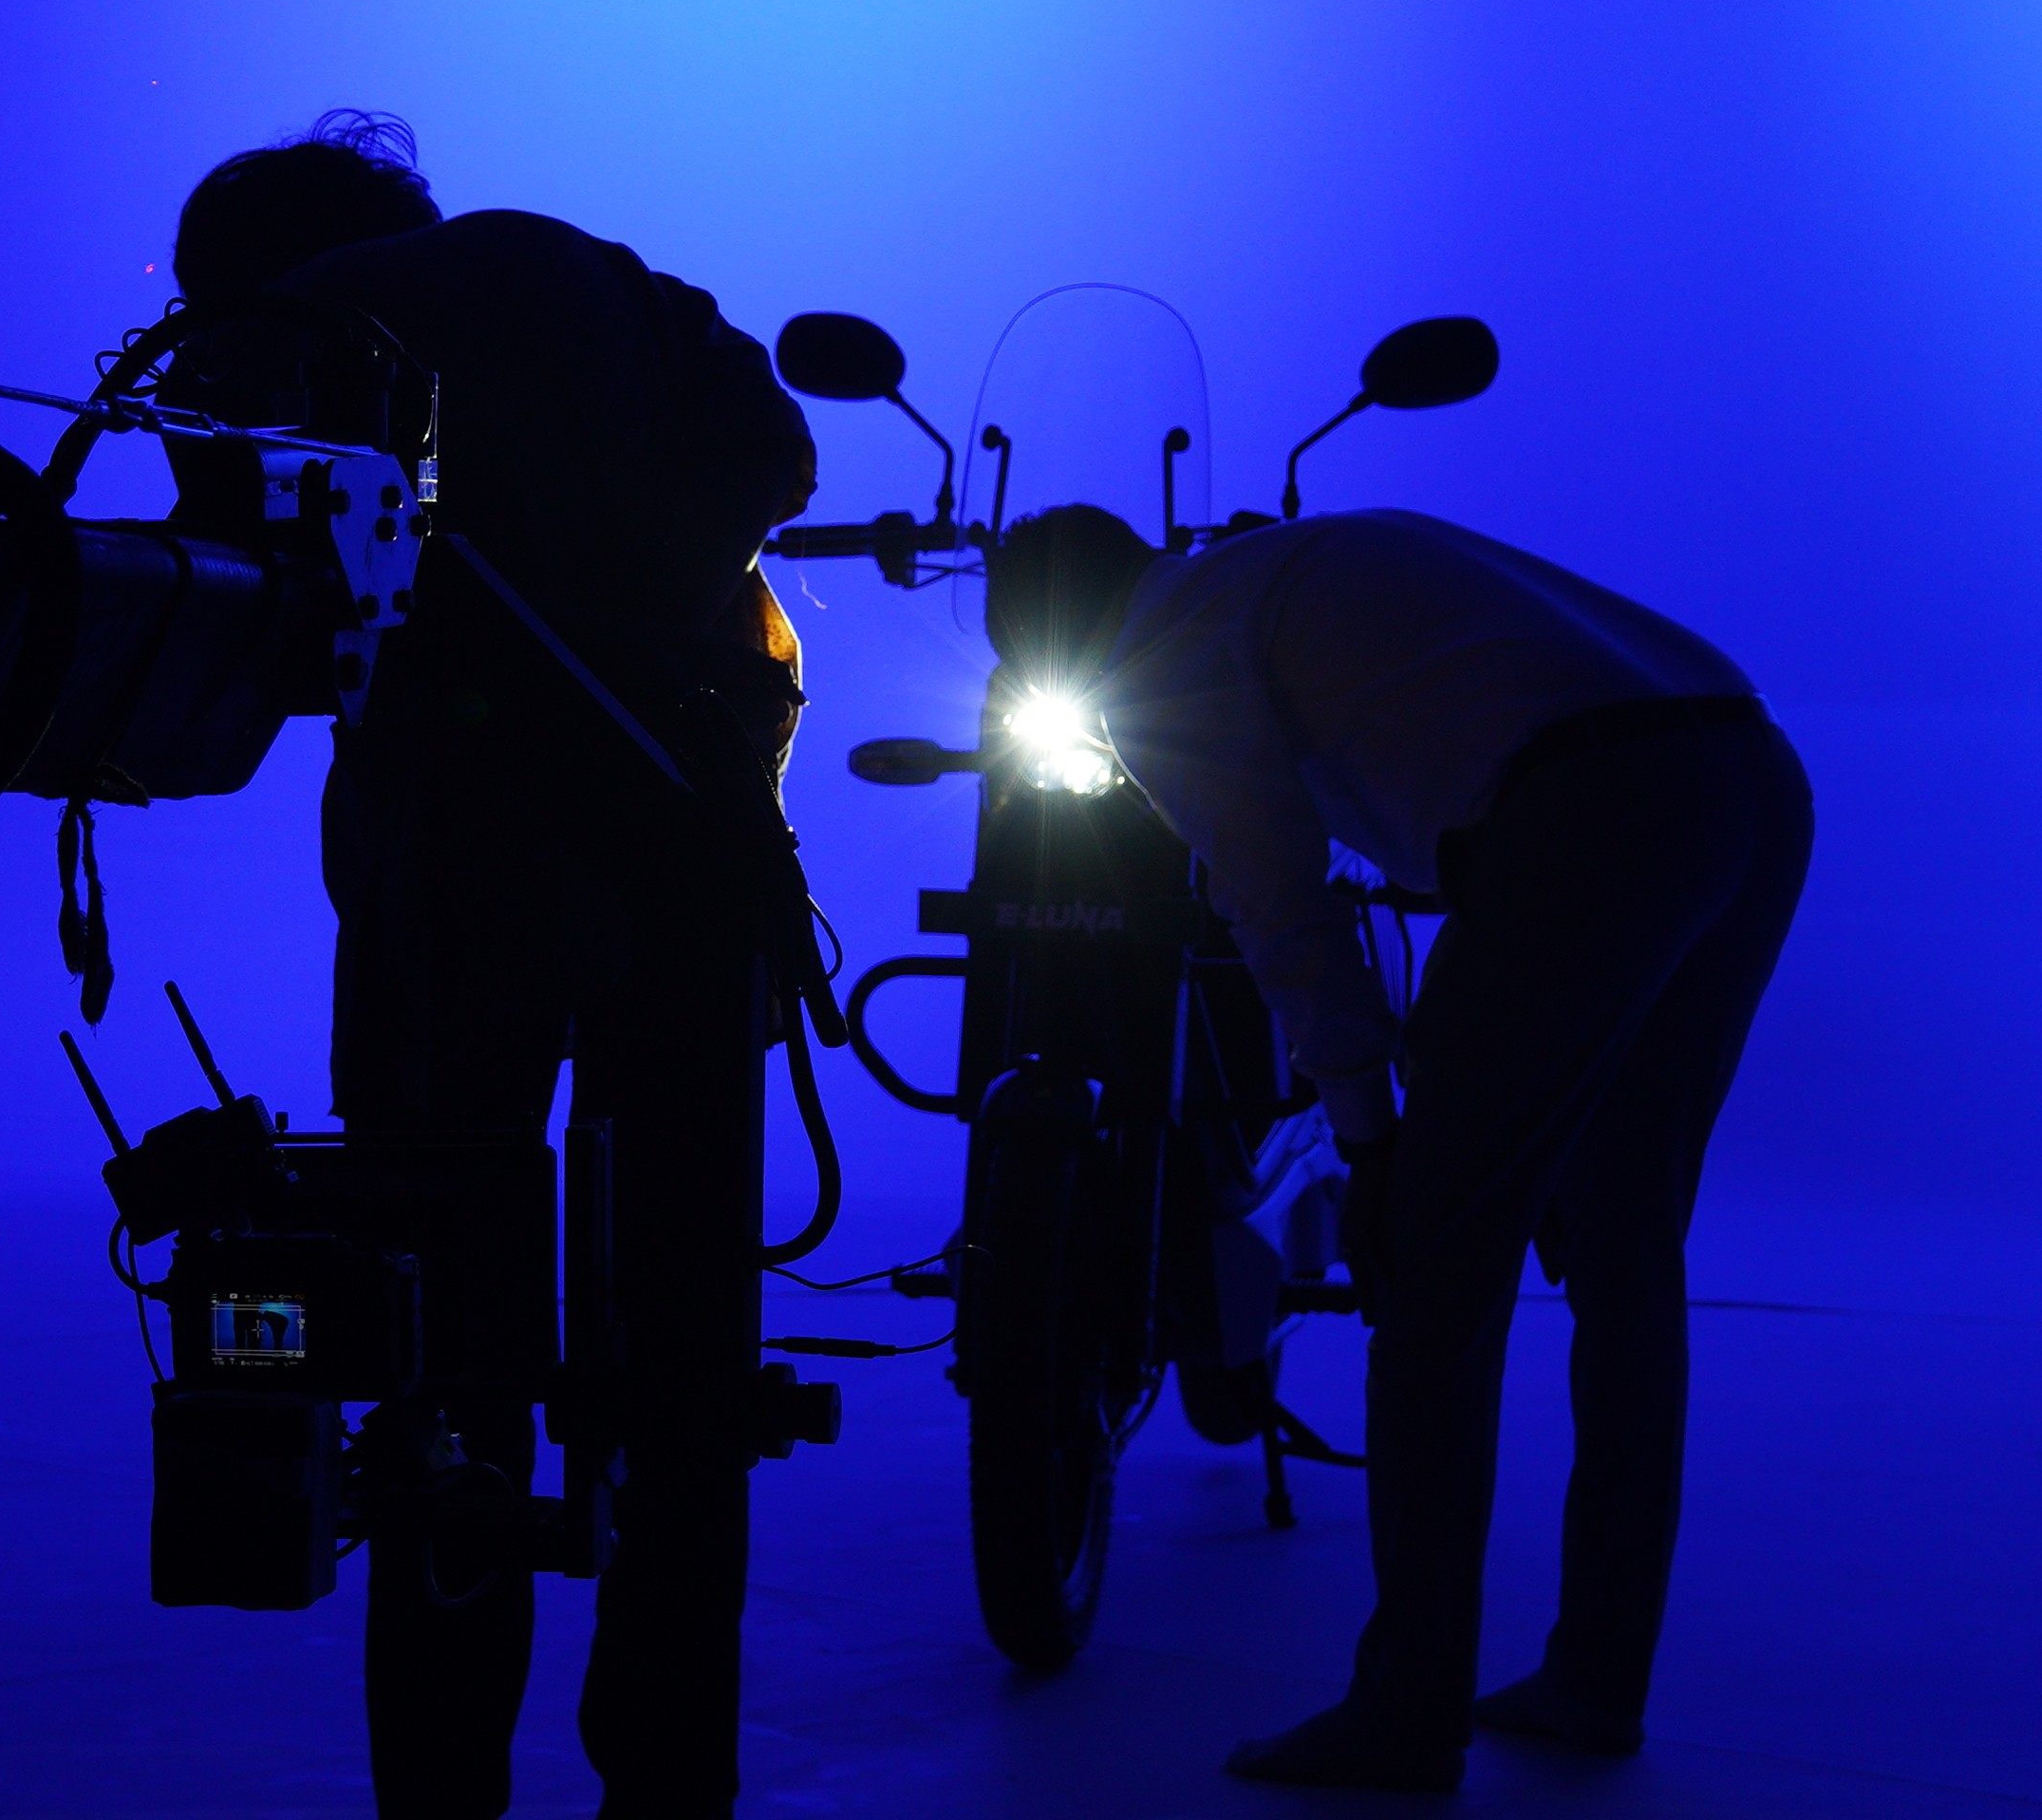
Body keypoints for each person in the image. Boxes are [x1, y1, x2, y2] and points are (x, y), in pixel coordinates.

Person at [158, 113, 813, 1820]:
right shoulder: (588, 271)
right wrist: (647, 607)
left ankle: (442, 1791)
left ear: (244, 262)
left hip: (456, 876)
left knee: (439, 1355)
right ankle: (670, 1783)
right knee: (688, 1370)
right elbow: (776, 445)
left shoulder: (270, 333)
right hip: (695, 849)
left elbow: (227, 612)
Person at [985, 502, 1812, 1793]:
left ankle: (1407, 1709)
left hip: (1590, 811)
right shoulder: (1261, 571)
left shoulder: (1158, 652)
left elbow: (1282, 911)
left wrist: (1374, 1150)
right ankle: (1598, 1677)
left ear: (1057, 645)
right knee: (1627, 1256)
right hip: (1748, 777)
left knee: (1430, 1278)